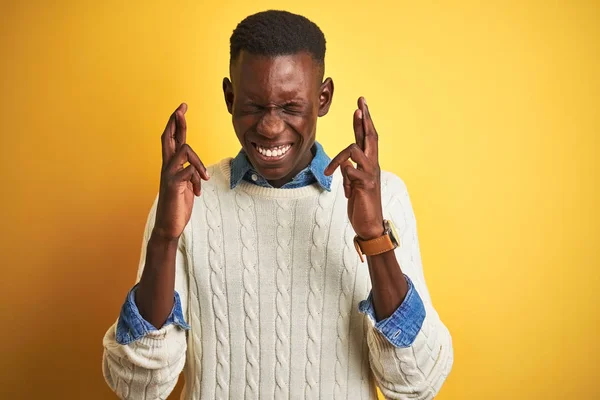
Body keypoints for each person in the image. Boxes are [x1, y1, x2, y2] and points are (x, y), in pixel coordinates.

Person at [102, 10, 453, 400]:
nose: (270, 127)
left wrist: (372, 236)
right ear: (230, 98)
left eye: (290, 108)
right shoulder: (187, 198)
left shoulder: (383, 196)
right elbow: (137, 386)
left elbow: (417, 382)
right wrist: (164, 239)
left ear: (323, 98)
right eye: (253, 106)